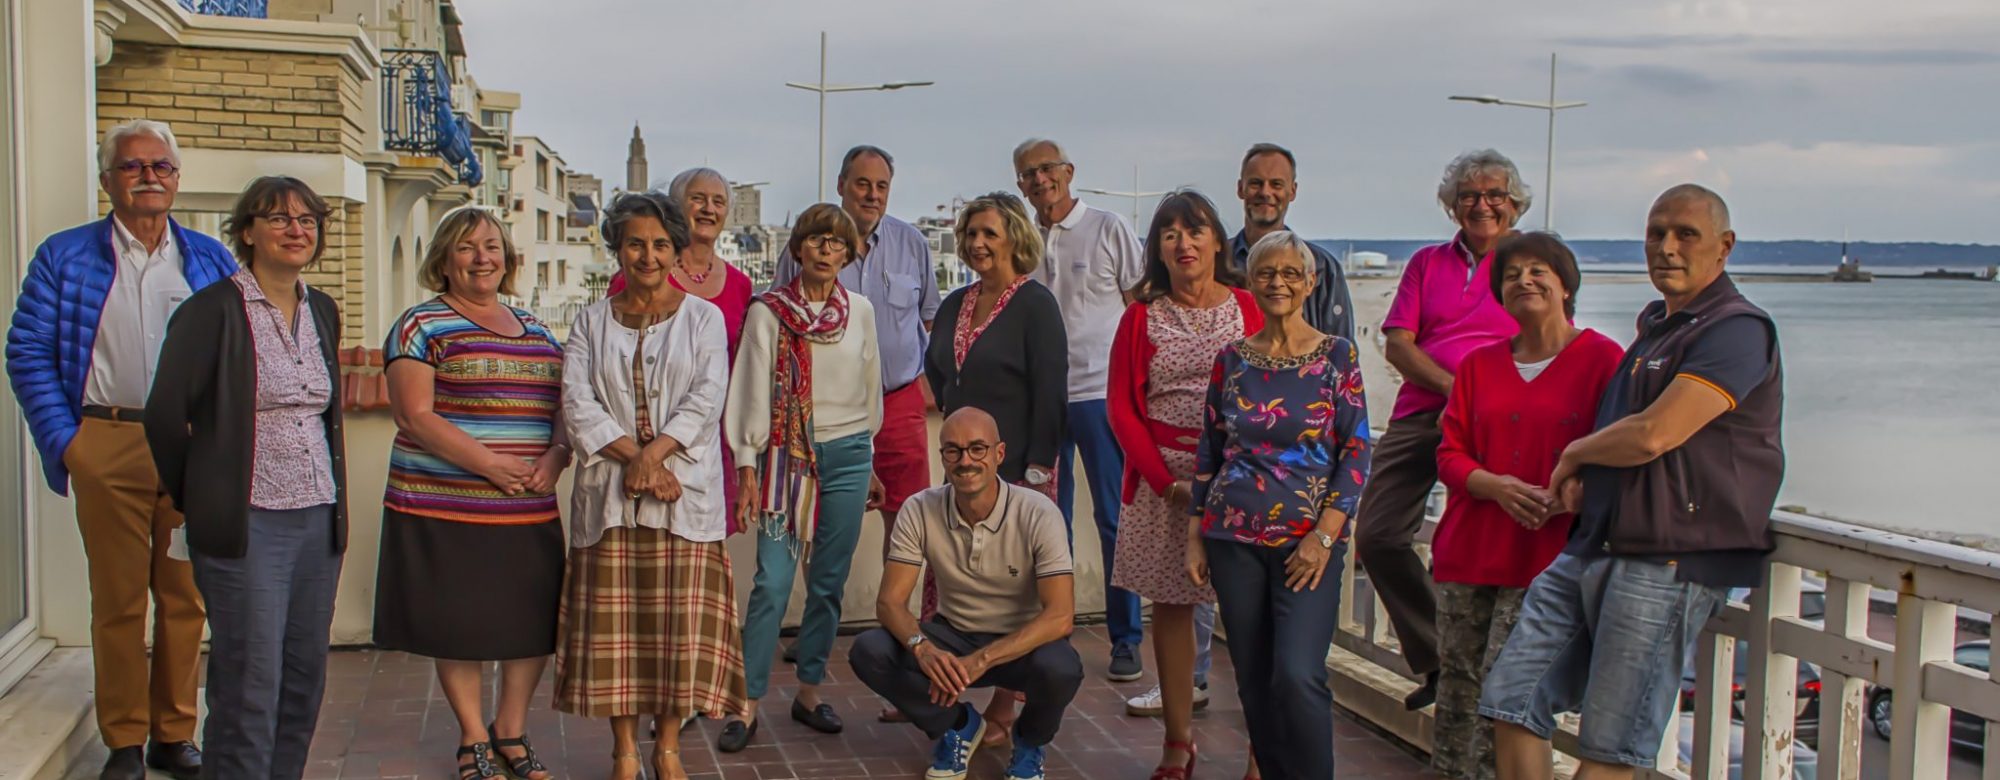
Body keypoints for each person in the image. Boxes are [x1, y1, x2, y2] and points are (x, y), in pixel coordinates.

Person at [1480, 185, 1784, 780]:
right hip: (1597, 543)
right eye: (1655, 233)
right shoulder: (1657, 329)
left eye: (1685, 235)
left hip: (1670, 558)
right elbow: (1628, 433)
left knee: (1611, 749)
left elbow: (1653, 434)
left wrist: (1572, 454)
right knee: (1510, 702)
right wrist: (1587, 473)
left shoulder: (1737, 330)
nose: (1666, 248)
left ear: (1724, 247)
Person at [4, 119, 227, 780]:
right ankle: (125, 739)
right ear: (108, 180)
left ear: (177, 180)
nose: (148, 177)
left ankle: (174, 734)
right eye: (132, 167)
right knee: (121, 601)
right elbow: (27, 353)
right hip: (107, 440)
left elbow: (233, 355)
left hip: (189, 448)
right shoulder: (64, 255)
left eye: (160, 166)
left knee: (186, 598)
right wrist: (68, 444)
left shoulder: (208, 259)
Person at [142, 175, 346, 780]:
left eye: (307, 220)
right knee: (250, 680)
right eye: (278, 218)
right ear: (248, 232)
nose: (295, 230)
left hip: (318, 520)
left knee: (304, 675)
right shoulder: (212, 311)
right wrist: (200, 496)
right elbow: (164, 415)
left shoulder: (322, 309)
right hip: (247, 521)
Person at [376, 206, 568, 780]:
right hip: (446, 504)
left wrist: (557, 457)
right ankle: (473, 736)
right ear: (444, 259)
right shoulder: (420, 326)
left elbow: (564, 408)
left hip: (528, 506)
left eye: (491, 246)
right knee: (457, 623)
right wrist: (490, 465)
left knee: (529, 623)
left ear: (507, 259)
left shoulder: (536, 328)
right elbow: (413, 415)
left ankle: (511, 729)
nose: (482, 258)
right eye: (466, 247)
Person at [556, 191, 740, 780]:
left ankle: (666, 746)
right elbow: (577, 402)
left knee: (674, 637)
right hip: (611, 502)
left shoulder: (703, 318)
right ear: (617, 248)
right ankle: (624, 749)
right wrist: (639, 462)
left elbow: (706, 398)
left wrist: (657, 456)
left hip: (683, 501)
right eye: (636, 242)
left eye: (661, 243)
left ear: (677, 250)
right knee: (620, 637)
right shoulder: (589, 319)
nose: (649, 255)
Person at [1428, 232, 1623, 780]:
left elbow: (1617, 452)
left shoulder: (1604, 361)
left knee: (1506, 694)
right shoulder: (1477, 365)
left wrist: (1573, 495)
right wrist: (1495, 485)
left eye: (1539, 271)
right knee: (1459, 690)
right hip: (1468, 552)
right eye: (1511, 275)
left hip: (1546, 562)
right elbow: (1449, 455)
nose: (1524, 281)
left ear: (1566, 284)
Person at [1185, 230, 1372, 780]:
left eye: (1292, 273)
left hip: (1306, 542)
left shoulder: (1338, 356)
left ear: (1311, 282)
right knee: (1252, 677)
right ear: (1251, 282)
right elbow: (1210, 449)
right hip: (1232, 538)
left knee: (1297, 673)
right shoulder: (1232, 360)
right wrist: (1196, 533)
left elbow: (1357, 452)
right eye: (1267, 273)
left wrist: (1324, 537)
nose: (1278, 283)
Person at [1359, 149, 1527, 710]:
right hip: (1424, 411)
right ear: (1452, 208)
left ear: (1515, 204)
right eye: (1469, 196)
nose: (1482, 205)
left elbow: (1550, 342)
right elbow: (1399, 344)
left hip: (1499, 420)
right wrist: (1460, 389)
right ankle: (1439, 659)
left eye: (1494, 195)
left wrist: (1491, 399)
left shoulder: (1528, 265)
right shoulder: (1427, 264)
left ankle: (1492, 678)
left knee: (1488, 547)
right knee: (1377, 536)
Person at [1106, 190, 1264, 780]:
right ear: (1157, 251)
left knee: (1250, 615)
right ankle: (1178, 740)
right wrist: (1166, 483)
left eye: (1195, 230)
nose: (1183, 242)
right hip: (1164, 484)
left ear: (1218, 241)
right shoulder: (1140, 316)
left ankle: (1260, 748)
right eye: (1169, 233)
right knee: (1171, 608)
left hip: (1243, 484)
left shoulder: (1249, 307)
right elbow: (1122, 408)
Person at [723, 202, 884, 751]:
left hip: (849, 454)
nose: (827, 250)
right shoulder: (768, 311)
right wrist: (747, 462)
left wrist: (873, 459)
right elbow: (746, 389)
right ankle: (747, 702)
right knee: (770, 583)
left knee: (829, 582)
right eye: (817, 240)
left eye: (838, 243)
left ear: (848, 253)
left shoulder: (859, 310)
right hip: (783, 461)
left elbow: (871, 385)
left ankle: (809, 690)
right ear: (798, 248)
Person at [849, 407, 1084, 780]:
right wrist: (922, 648)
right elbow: (889, 602)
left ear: (999, 454)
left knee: (1061, 667)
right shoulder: (919, 508)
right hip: (953, 634)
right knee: (869, 650)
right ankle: (959, 725)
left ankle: (1029, 743)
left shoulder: (1038, 513)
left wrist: (983, 659)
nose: (965, 461)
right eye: (953, 451)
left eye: (978, 449)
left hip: (1018, 644)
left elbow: (1060, 615)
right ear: (942, 456)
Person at [773, 146, 939, 639]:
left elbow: (927, 318)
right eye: (862, 184)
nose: (872, 195)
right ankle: (817, 636)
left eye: (881, 186)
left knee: (908, 518)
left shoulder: (912, 244)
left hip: (900, 401)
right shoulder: (804, 247)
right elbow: (786, 320)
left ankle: (900, 629)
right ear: (841, 184)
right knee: (818, 521)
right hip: (825, 411)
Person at [923, 191, 1068, 744]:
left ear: (1014, 238)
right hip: (963, 466)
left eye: (989, 233)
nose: (977, 244)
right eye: (970, 235)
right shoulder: (957, 302)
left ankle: (1006, 709)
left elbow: (1051, 390)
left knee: (1015, 589)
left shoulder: (1035, 304)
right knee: (950, 574)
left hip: (1020, 471)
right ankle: (942, 683)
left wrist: (1037, 468)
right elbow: (940, 374)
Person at [1014, 137, 1147, 681]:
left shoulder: (1108, 227)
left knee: (1115, 519)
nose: (1041, 180)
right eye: (1029, 174)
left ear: (1069, 172)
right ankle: (1055, 631)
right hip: (1042, 401)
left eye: (1048, 169)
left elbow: (1142, 305)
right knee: (1050, 522)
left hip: (1100, 395)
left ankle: (1127, 638)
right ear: (1020, 185)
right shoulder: (1023, 242)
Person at [613, 168, 757, 533]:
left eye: (718, 201)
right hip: (638, 435)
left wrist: (745, 459)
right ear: (676, 207)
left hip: (709, 436)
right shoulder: (636, 274)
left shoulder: (741, 285)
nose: (708, 208)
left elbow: (741, 369)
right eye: (698, 198)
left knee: (703, 545)